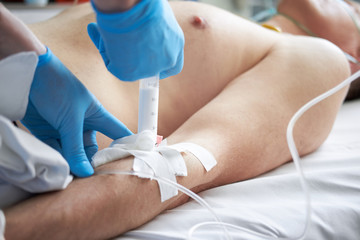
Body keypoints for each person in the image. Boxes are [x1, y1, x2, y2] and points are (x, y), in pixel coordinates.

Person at [1, 0, 358, 239]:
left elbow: (165, 173)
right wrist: (30, 56)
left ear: (355, 54)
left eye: (355, 10)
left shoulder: (322, 61)